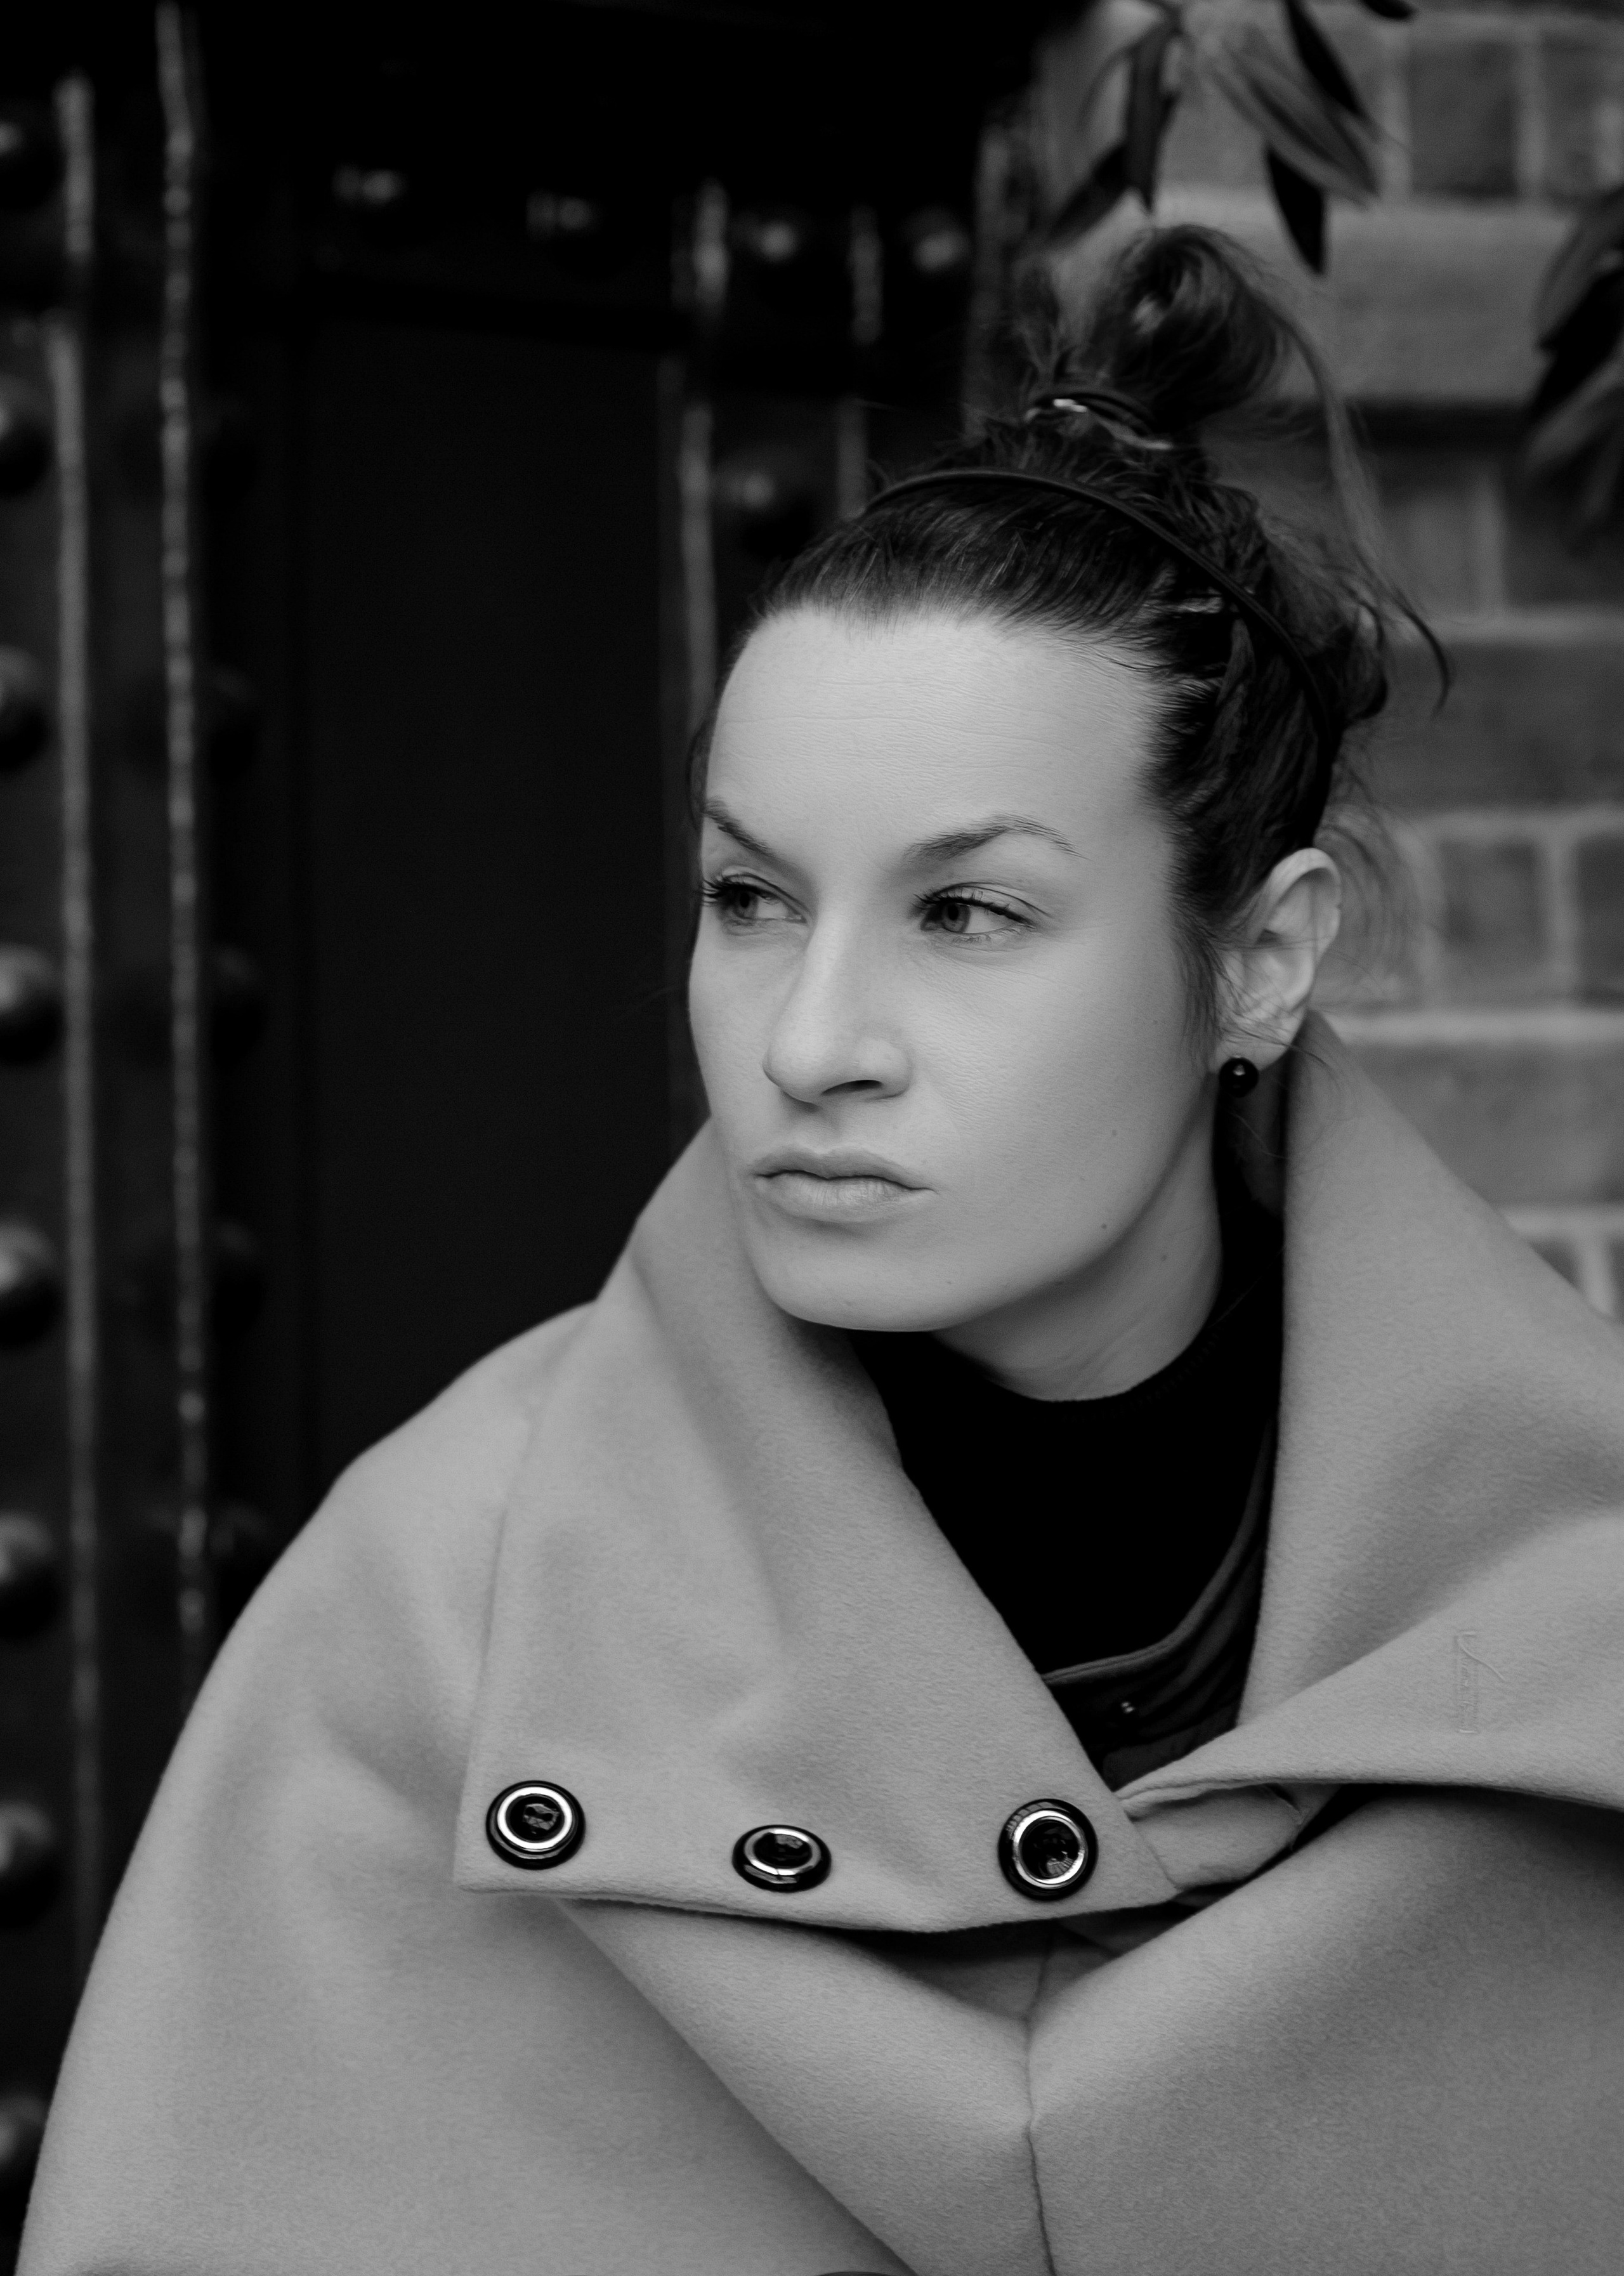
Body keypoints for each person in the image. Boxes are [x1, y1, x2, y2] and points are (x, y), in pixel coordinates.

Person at [20, 228, 1624, 2276]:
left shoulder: (1583, 1601)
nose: (807, 1044)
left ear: (1264, 959)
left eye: (967, 915)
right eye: (753, 900)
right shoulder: (437, 1607)